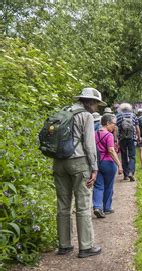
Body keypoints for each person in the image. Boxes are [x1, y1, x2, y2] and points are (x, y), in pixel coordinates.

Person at [53, 87, 103, 258]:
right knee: (83, 204)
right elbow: (89, 145)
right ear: (90, 102)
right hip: (78, 162)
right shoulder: (86, 116)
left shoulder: (64, 111)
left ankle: (64, 245)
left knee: (63, 204)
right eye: (96, 104)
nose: (96, 107)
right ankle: (86, 247)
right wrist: (94, 168)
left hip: (59, 162)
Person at [93, 114, 123, 218]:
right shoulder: (109, 135)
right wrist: (119, 165)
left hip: (96, 162)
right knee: (108, 186)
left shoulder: (94, 133)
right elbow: (111, 150)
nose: (114, 126)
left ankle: (97, 206)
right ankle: (106, 208)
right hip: (108, 163)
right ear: (107, 123)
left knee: (98, 186)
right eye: (114, 124)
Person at [116, 103, 140, 181]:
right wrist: (138, 137)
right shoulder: (133, 116)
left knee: (124, 156)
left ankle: (125, 175)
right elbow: (137, 128)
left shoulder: (118, 116)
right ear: (129, 108)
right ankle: (131, 172)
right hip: (132, 139)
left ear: (121, 109)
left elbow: (116, 129)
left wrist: (116, 140)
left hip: (122, 139)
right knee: (132, 156)